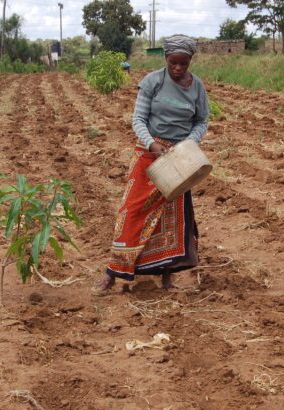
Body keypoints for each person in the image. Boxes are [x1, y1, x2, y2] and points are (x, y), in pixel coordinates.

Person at [94, 34, 209, 294]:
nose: (178, 69)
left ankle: (167, 277)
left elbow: (201, 121)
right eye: (173, 63)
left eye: (184, 64)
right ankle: (112, 275)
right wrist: (153, 145)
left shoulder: (197, 87)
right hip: (149, 155)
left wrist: (187, 144)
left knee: (172, 218)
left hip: (180, 158)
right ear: (165, 59)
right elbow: (138, 120)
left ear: (190, 60)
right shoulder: (153, 82)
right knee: (131, 213)